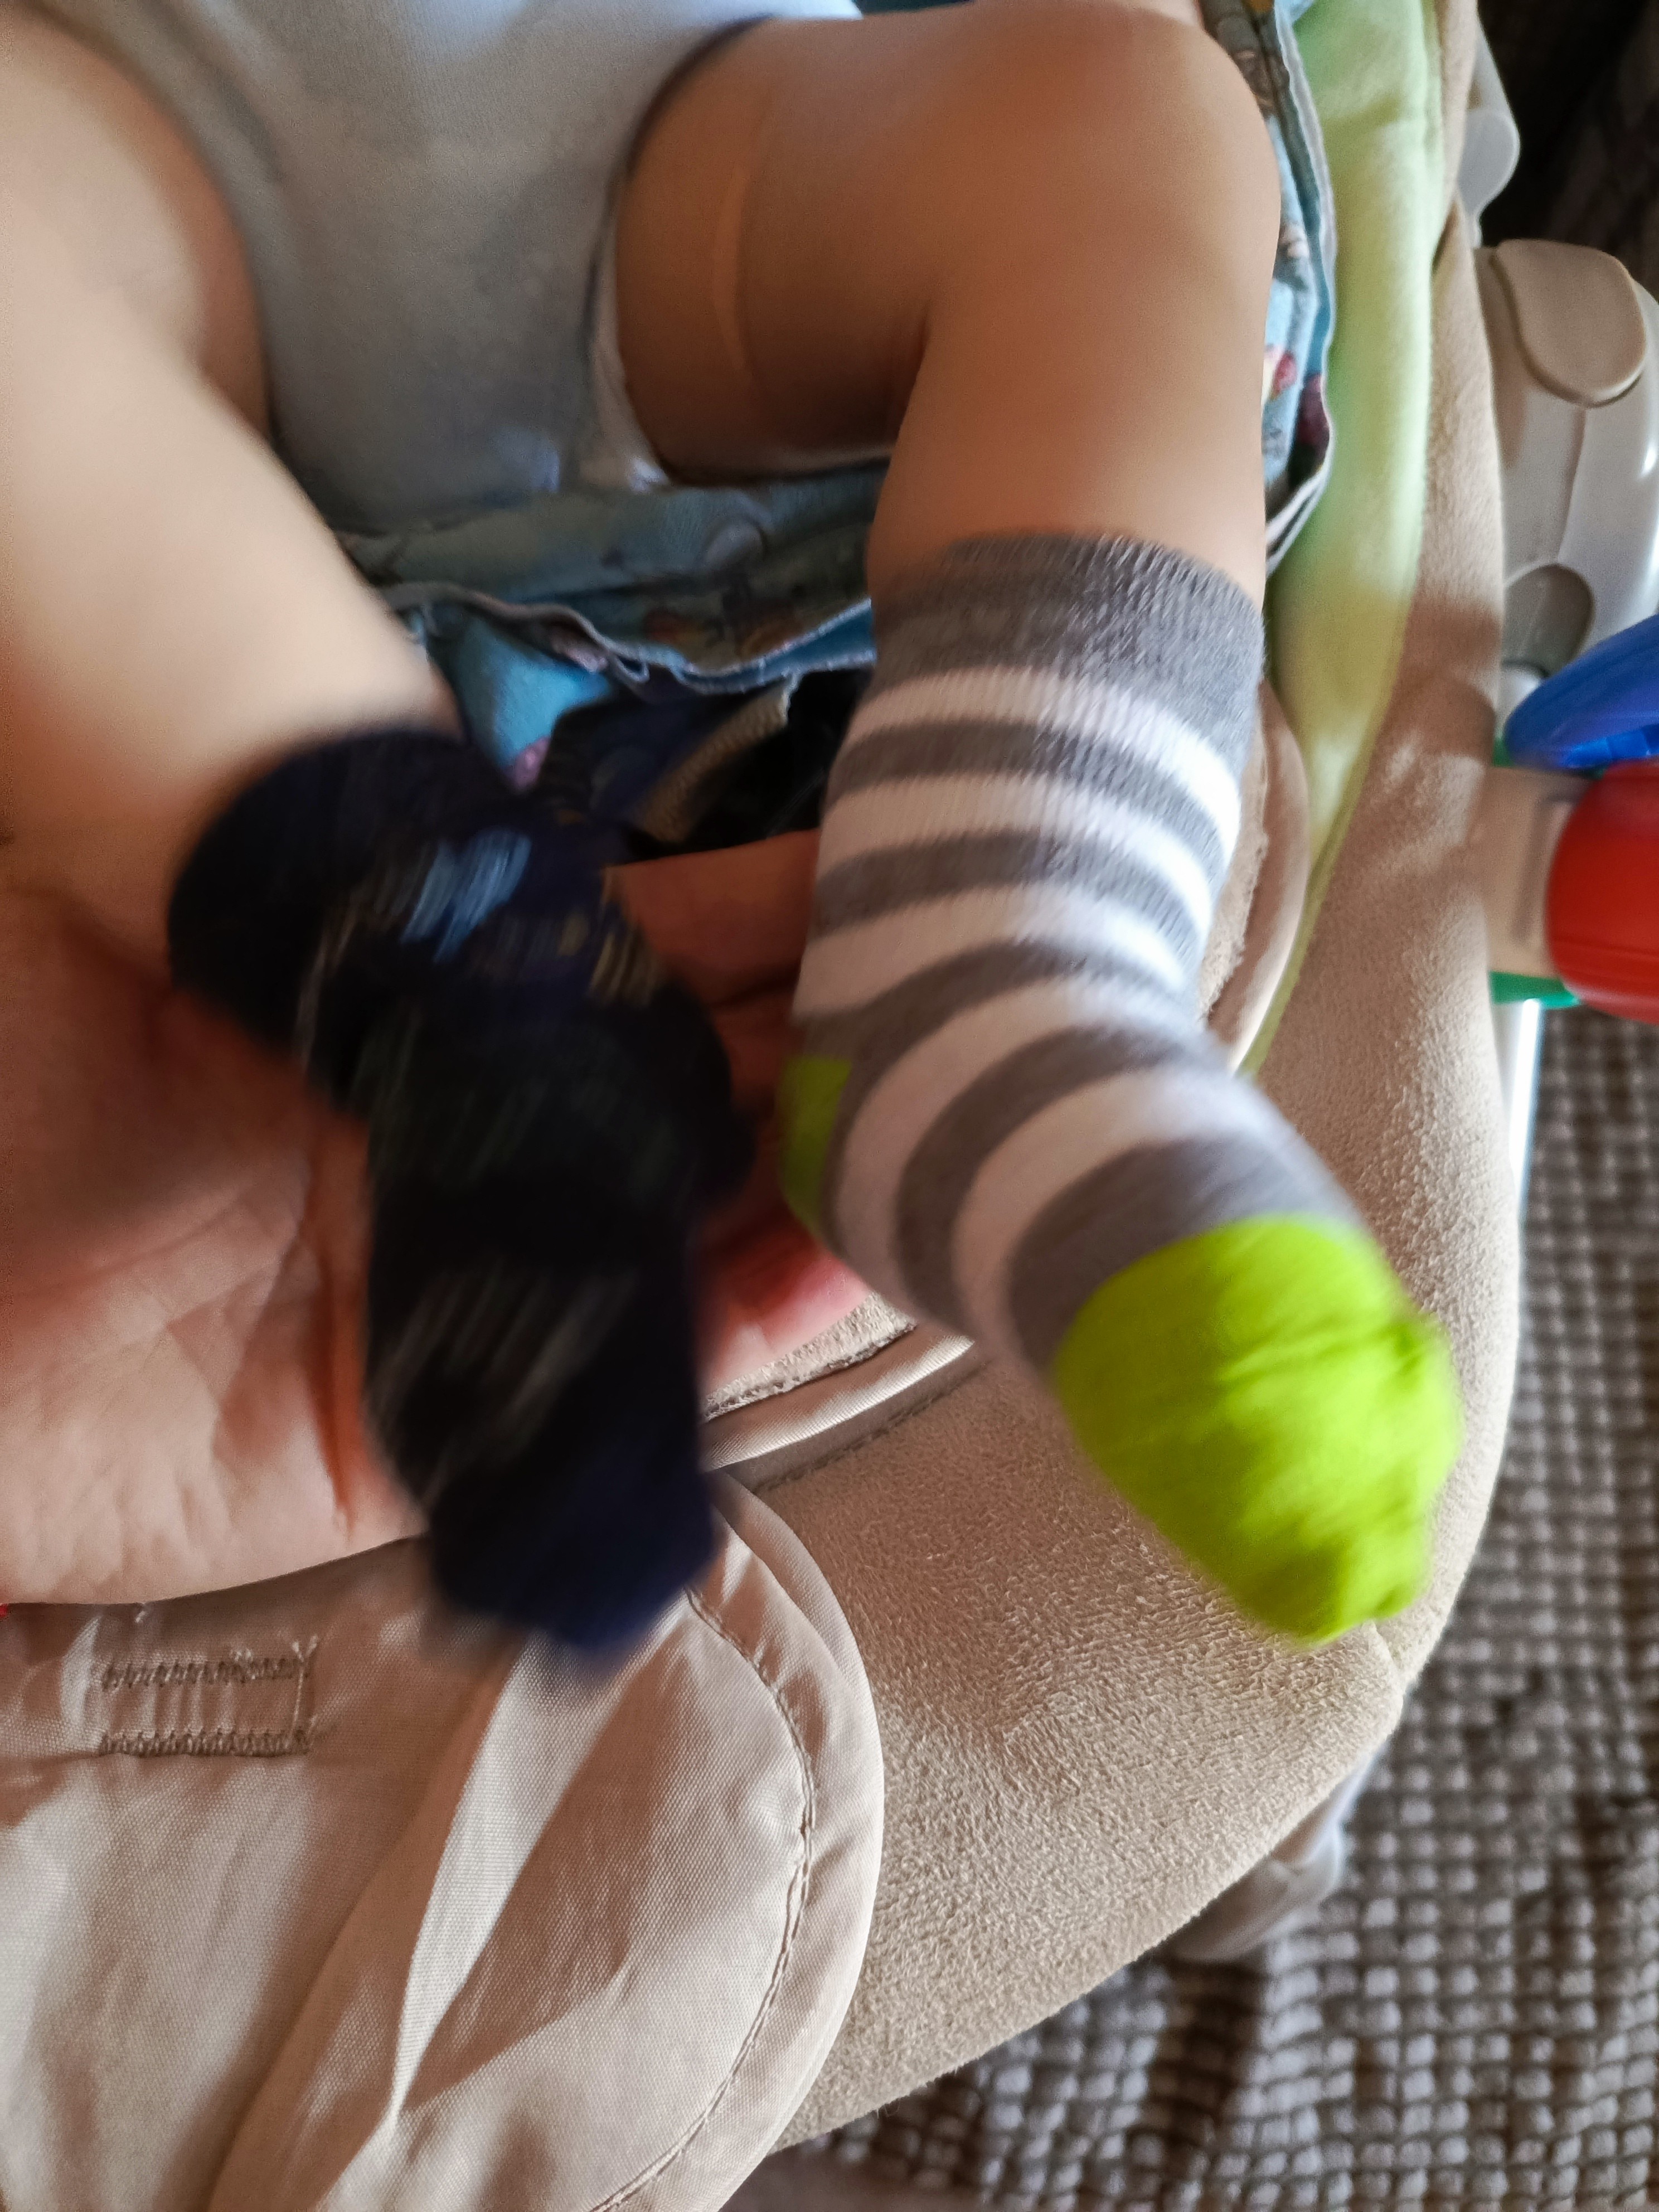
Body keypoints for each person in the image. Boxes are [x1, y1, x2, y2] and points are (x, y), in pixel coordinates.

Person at [0, 0, 1459, 1646]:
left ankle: (1005, 957)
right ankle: (470, 990)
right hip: (118, 139)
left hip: (663, 132)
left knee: (1138, 116)